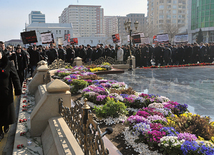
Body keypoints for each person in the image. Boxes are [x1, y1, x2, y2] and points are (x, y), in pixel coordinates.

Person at [0, 48, 21, 141]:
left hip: (6, 93)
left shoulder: (8, 64)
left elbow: (15, 78)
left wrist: (18, 91)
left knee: (6, 112)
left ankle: (6, 124)